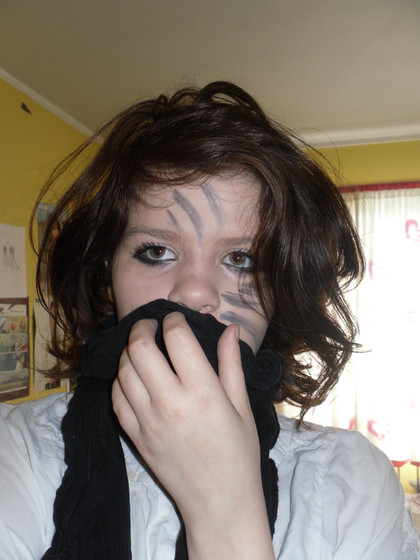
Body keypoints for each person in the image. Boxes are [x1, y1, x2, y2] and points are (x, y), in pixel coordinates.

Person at [0, 81, 419, 560]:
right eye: (156, 251)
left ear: (281, 293)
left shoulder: (352, 486)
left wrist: (225, 510)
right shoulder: (17, 451)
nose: (195, 292)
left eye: (241, 259)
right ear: (107, 276)